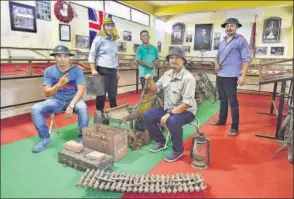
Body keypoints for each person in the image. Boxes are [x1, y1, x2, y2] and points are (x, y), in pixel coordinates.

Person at [31, 45, 89, 153]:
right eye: (59, 56)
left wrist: (71, 105)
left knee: (83, 107)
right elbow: (47, 93)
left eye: (65, 56)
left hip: (74, 100)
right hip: (57, 101)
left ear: (69, 57)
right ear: (55, 57)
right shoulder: (49, 71)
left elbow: (80, 91)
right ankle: (45, 139)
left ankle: (83, 138)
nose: (62, 59)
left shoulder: (77, 70)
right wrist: (59, 85)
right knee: (35, 108)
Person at [143, 47, 197, 163]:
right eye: (171, 58)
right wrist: (150, 80)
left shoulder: (188, 78)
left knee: (172, 121)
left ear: (183, 60)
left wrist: (169, 114)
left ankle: (178, 150)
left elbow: (187, 104)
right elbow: (156, 89)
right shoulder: (167, 74)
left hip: (186, 111)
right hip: (169, 109)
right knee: (147, 116)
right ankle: (161, 142)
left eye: (177, 58)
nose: (173, 60)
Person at [210, 18, 251, 136]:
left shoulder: (241, 41)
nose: (229, 28)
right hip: (220, 75)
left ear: (236, 27)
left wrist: (243, 75)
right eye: (227, 26)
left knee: (232, 102)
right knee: (222, 100)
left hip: (231, 75)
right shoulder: (222, 42)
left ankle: (234, 127)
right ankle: (222, 120)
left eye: (232, 26)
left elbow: (246, 59)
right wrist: (216, 64)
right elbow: (216, 57)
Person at [88, 17, 120, 120]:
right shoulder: (99, 38)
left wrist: (117, 71)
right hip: (101, 69)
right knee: (101, 94)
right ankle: (99, 114)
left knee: (113, 93)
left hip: (112, 70)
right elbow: (92, 54)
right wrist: (93, 69)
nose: (110, 27)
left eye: (111, 25)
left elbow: (115, 57)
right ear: (104, 26)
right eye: (107, 25)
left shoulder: (114, 41)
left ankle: (114, 111)